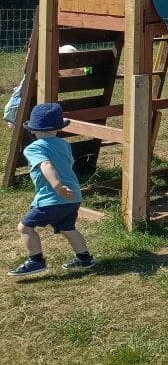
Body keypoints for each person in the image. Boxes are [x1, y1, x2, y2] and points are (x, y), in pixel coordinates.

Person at [8, 102, 94, 277]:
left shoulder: (34, 148)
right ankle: (85, 258)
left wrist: (57, 186)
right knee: (67, 227)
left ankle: (36, 261)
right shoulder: (64, 145)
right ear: (58, 128)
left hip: (52, 198)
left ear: (32, 130)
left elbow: (46, 165)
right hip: (74, 196)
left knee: (25, 227)